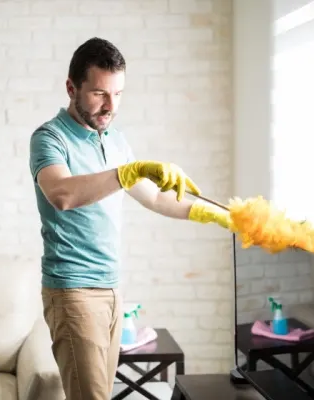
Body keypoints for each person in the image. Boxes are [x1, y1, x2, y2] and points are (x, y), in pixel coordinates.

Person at [28, 37, 232, 400]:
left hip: (112, 289)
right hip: (72, 291)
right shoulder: (49, 138)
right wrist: (127, 173)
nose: (110, 106)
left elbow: (154, 198)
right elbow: (61, 194)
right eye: (99, 93)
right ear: (71, 87)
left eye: (118, 94)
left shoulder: (115, 141)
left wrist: (214, 214)